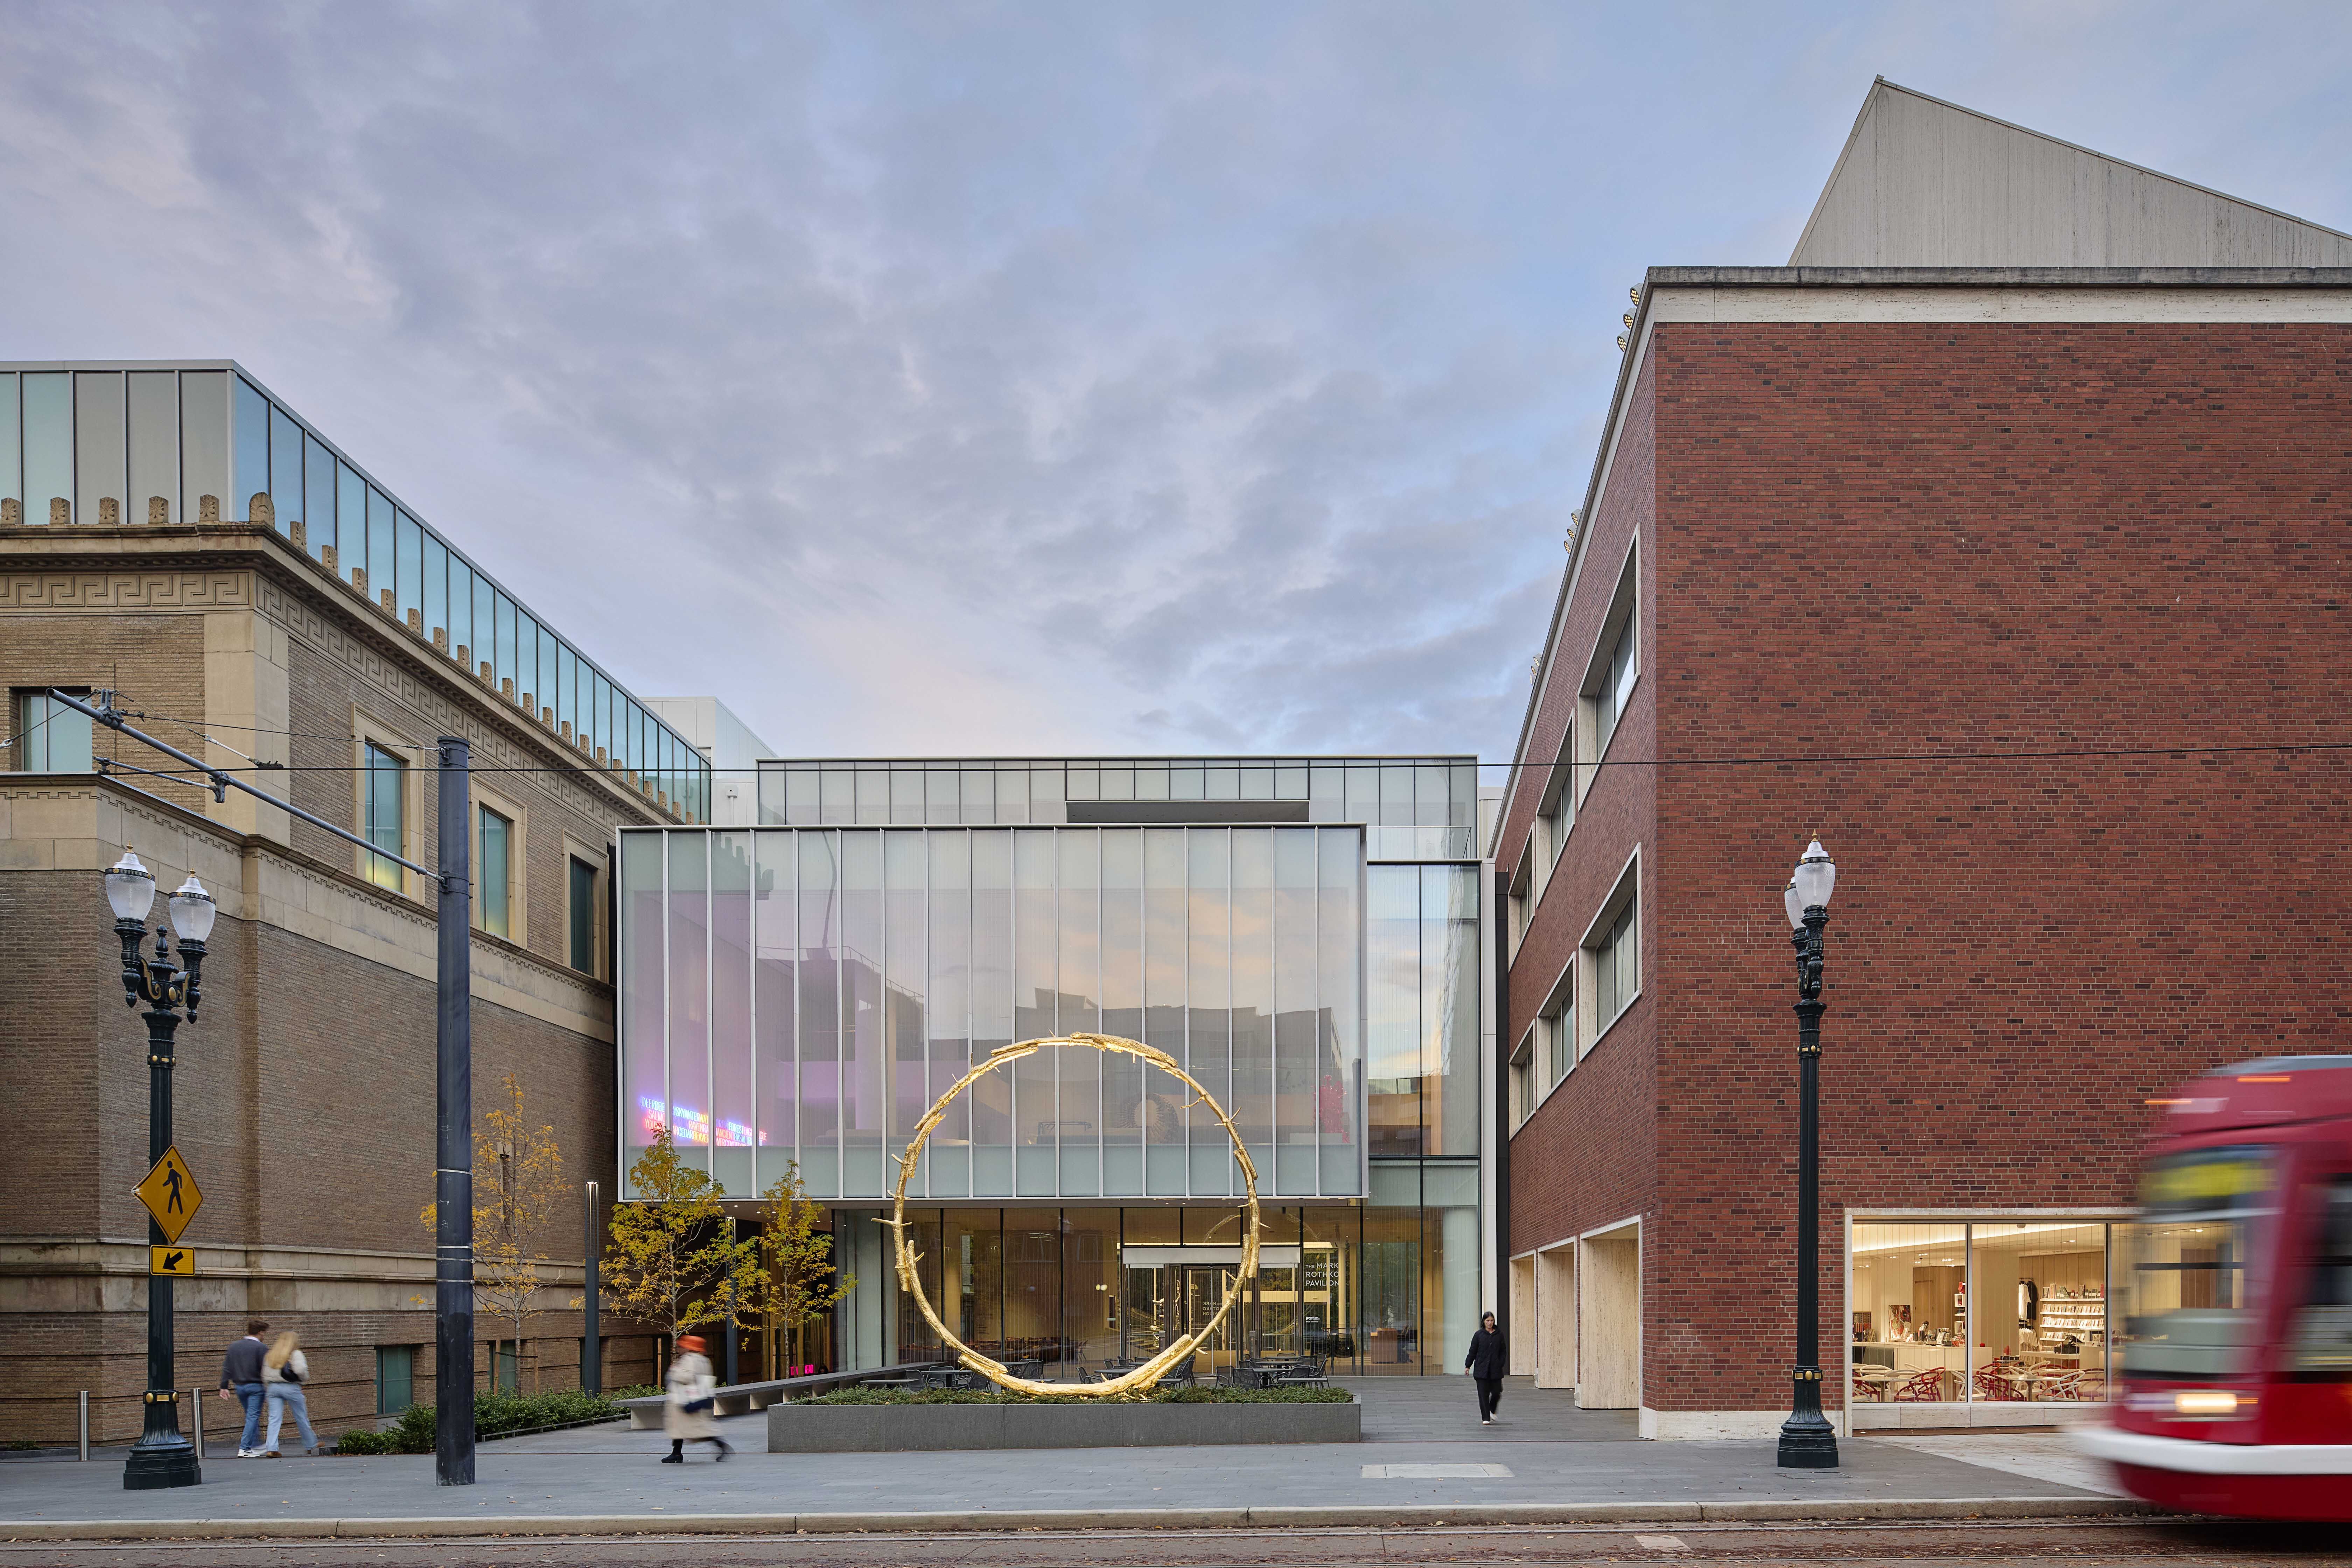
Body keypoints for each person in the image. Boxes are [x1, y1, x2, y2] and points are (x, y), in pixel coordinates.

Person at [661, 1333, 730, 1463]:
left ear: (689, 1348)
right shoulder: (703, 1360)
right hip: (697, 1399)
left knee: (693, 1429)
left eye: (682, 1347)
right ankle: (677, 1453)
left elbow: (687, 1377)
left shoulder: (689, 1359)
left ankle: (720, 1445)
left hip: (685, 1400)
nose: (680, 1349)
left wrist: (674, 1372)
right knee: (688, 1429)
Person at [217, 1318, 271, 1457]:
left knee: (251, 1416)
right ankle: (245, 1448)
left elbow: (227, 1367)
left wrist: (224, 1387)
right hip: (256, 1387)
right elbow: (266, 1369)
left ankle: (254, 1445)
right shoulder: (261, 1348)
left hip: (240, 1387)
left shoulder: (234, 1346)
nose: (264, 1336)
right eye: (264, 1333)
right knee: (253, 1417)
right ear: (260, 1332)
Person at [261, 1330, 319, 1457]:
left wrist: (269, 1386)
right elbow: (301, 1370)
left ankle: (272, 1449)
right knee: (301, 1416)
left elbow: (264, 1374)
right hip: (291, 1387)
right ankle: (311, 1444)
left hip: (272, 1388)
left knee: (274, 1419)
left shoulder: (271, 1354)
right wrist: (303, 1380)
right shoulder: (295, 1353)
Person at [1465, 1310, 1508, 1425]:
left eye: (1492, 1321)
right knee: (1483, 1395)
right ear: (1484, 1322)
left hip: (1496, 1369)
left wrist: (1501, 1362)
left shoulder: (1499, 1335)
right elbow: (1473, 1351)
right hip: (1481, 1370)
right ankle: (1486, 1417)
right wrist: (1468, 1365)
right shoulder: (1479, 1335)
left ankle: (1491, 1409)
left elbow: (1503, 1350)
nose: (1490, 1323)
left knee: (1497, 1391)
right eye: (1487, 1321)